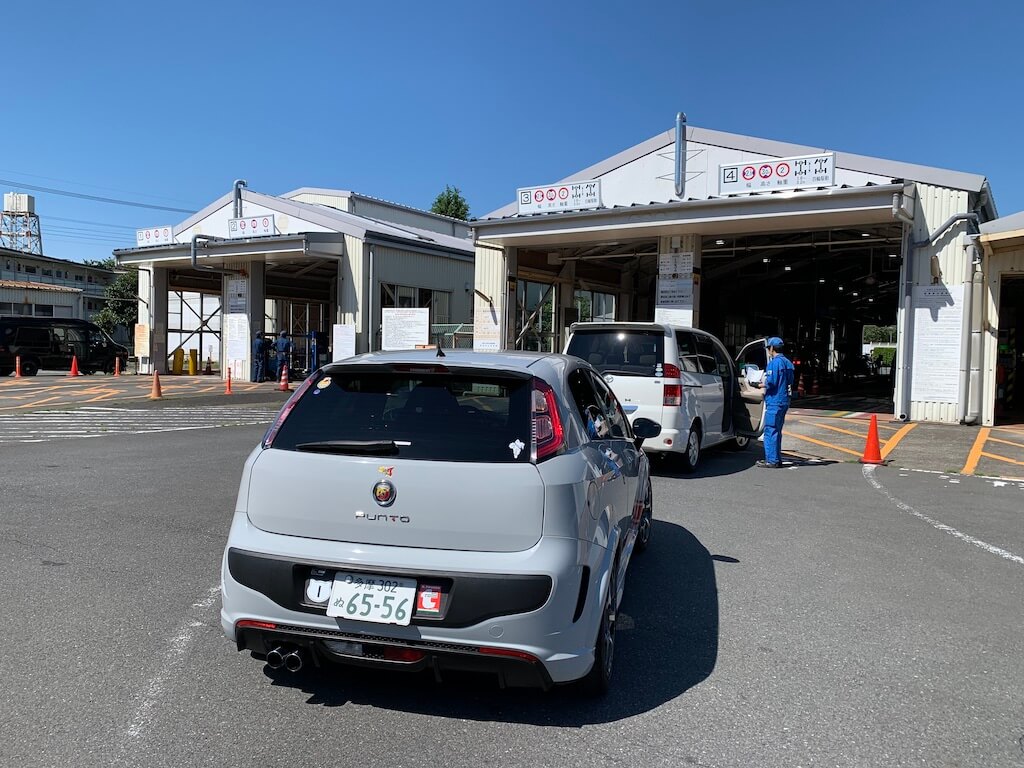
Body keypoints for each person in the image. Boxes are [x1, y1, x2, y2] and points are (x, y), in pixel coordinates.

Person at [756, 336, 795, 468]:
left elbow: (771, 382)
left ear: (772, 348)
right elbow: (789, 381)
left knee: (770, 430)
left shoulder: (774, 363)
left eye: (768, 348)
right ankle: (776, 458)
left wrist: (760, 384)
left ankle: (771, 460)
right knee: (777, 430)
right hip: (784, 400)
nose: (768, 350)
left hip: (775, 400)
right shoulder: (788, 363)